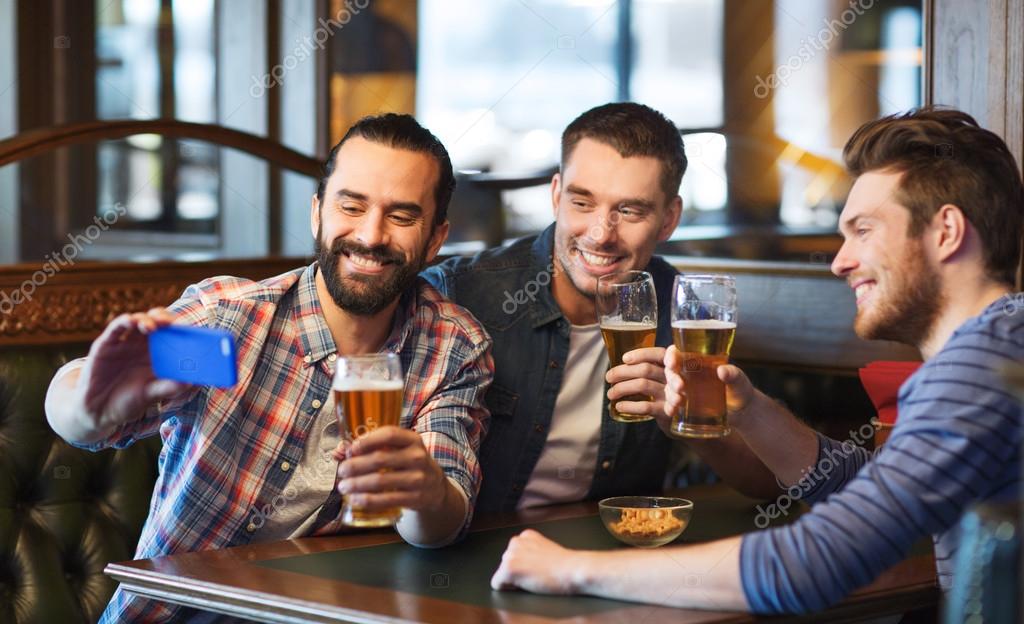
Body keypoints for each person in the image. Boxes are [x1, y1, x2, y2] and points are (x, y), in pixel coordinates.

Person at [490, 107, 1023, 613]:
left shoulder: (979, 369)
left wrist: (571, 569)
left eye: (863, 230)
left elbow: (810, 565)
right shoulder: (1002, 346)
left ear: (946, 232)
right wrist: (749, 410)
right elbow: (872, 484)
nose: (840, 262)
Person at [45, 114, 494, 622]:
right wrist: (89, 405)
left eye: (402, 216)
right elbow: (77, 411)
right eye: (351, 206)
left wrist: (426, 492)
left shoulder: (452, 346)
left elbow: (442, 524)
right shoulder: (228, 320)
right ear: (318, 213)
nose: (371, 235)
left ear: (435, 239)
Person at [423, 102, 779, 514]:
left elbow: (769, 480)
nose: (600, 234)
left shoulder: (683, 312)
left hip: (615, 542)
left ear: (669, 219)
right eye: (582, 203)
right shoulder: (459, 294)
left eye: (629, 210)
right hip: (478, 541)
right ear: (556, 195)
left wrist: (688, 421)